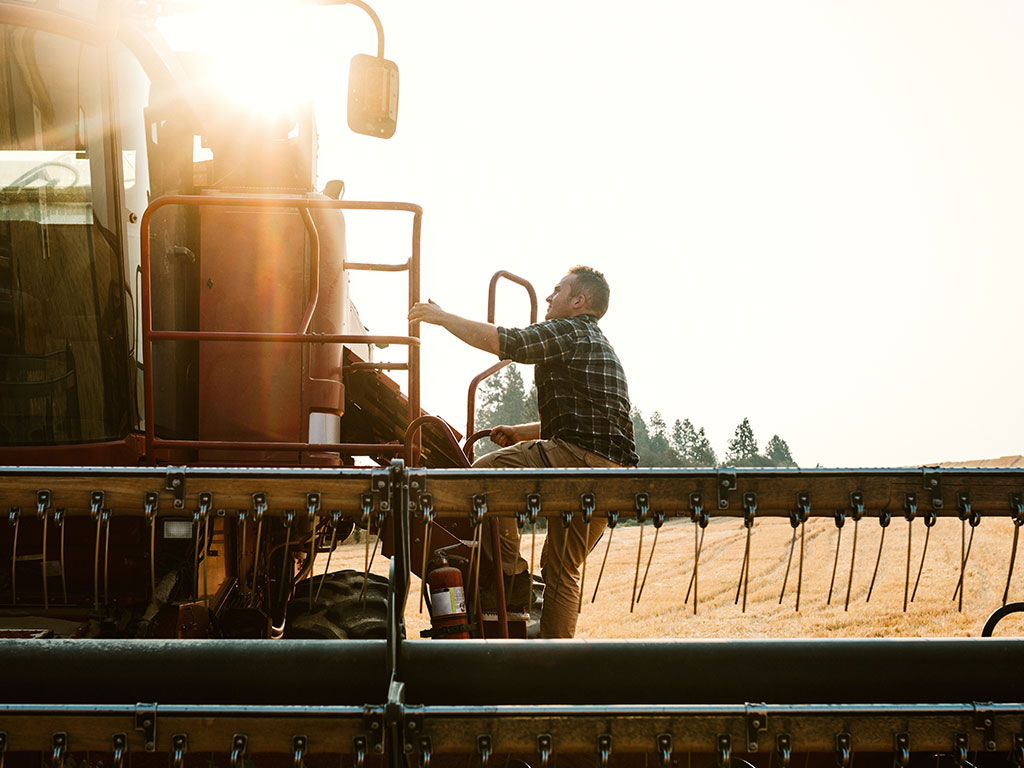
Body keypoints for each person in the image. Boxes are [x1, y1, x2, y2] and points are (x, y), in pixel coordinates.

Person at [408, 265, 638, 638]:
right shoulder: (599, 344)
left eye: (558, 290)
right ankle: (553, 663)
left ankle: (511, 574)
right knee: (562, 571)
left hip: (576, 460)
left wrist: (443, 318)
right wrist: (521, 432)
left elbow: (510, 342)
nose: (549, 297)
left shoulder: (571, 330)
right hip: (612, 474)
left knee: (484, 473)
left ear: (579, 301)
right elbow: (591, 421)